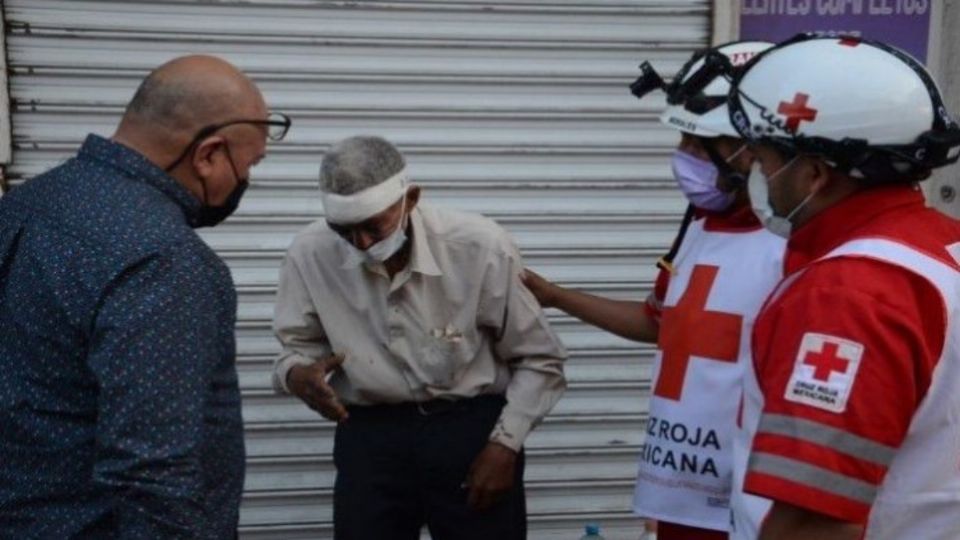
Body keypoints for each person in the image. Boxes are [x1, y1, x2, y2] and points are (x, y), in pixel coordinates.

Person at [0, 55, 290, 537]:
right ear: (208, 154)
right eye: (249, 163)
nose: (245, 181)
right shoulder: (162, 261)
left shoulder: (24, 206)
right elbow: (151, 473)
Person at [521, 41, 781, 540]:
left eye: (697, 144)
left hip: (745, 500)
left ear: (752, 149)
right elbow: (659, 324)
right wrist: (554, 297)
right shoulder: (699, 228)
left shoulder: (794, 250)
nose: (684, 159)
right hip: (677, 493)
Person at [271, 135, 567, 539]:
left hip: (469, 433)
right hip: (370, 438)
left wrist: (505, 445)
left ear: (410, 199)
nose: (361, 244)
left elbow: (539, 359)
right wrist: (296, 375)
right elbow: (296, 349)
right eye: (344, 231)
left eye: (373, 226)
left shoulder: (479, 246)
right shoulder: (309, 253)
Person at [726, 34, 960, 539]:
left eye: (765, 161)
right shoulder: (941, 250)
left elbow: (814, 519)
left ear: (813, 173)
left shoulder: (845, 294)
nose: (756, 174)